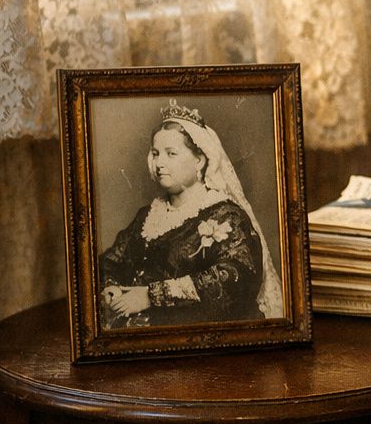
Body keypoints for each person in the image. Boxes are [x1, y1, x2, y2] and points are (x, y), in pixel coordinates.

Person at [99, 102, 285, 327]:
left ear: (200, 160)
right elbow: (111, 260)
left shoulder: (227, 217)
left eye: (171, 154)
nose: (159, 163)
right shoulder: (147, 216)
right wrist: (111, 286)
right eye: (156, 153)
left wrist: (151, 296)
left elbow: (234, 279)